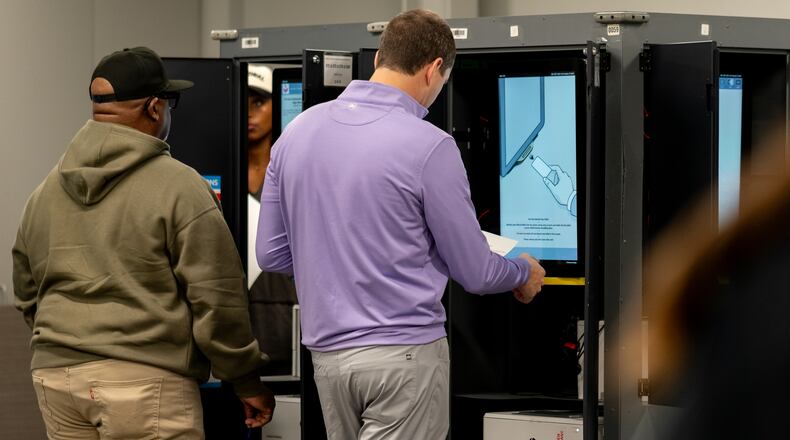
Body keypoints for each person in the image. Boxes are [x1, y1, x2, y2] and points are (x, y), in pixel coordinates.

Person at [256, 9, 546, 439]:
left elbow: (272, 253)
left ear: (378, 58)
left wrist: (334, 249)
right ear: (433, 70)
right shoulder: (430, 146)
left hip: (328, 361)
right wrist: (524, 270)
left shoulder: (297, 132)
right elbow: (477, 272)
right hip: (403, 358)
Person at [12, 46, 274, 439]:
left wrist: (70, 336)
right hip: (143, 380)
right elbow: (216, 297)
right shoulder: (180, 187)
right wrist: (245, 380)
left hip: (56, 379)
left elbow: (27, 289)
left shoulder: (45, 192)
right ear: (154, 108)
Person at [246, 64, 299, 376]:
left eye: (259, 103)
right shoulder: (222, 175)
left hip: (287, 332)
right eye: (245, 103)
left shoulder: (292, 173)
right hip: (240, 336)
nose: (250, 114)